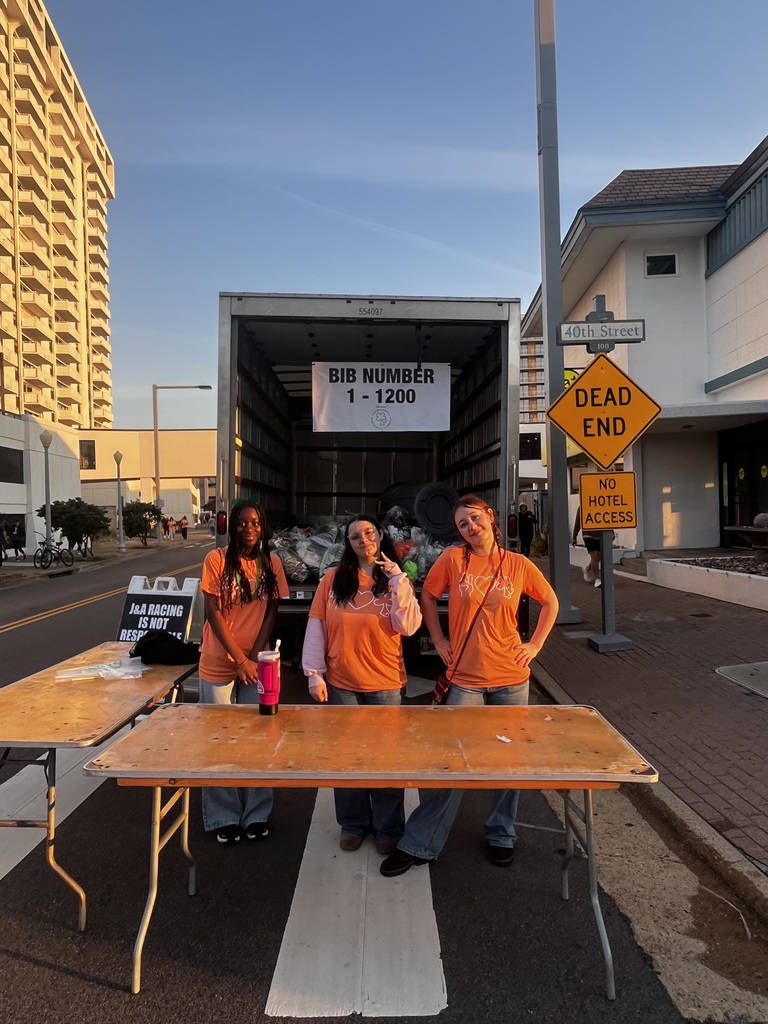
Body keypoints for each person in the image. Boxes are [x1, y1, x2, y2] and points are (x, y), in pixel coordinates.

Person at [380, 493, 559, 877]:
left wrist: (535, 645)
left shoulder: (517, 564)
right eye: (462, 524)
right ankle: (420, 843)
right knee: (451, 763)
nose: (470, 528)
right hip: (466, 681)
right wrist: (439, 640)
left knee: (507, 764)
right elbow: (427, 595)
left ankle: (501, 833)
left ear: (489, 517)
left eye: (475, 519)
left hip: (512, 678)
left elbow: (550, 602)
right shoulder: (453, 559)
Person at [302, 515, 422, 854]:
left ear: (380, 536)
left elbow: (410, 626)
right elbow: (317, 625)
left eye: (369, 533)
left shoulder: (396, 578)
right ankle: (353, 824)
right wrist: (314, 673)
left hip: (385, 682)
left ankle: (388, 829)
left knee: (385, 759)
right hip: (343, 683)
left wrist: (397, 579)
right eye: (355, 536)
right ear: (348, 544)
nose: (363, 540)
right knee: (348, 759)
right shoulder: (333, 580)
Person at [198, 501, 289, 844]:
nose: (248, 529)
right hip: (220, 661)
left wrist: (255, 658)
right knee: (219, 739)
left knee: (260, 737)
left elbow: (271, 611)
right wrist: (239, 659)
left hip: (258, 662)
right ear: (231, 526)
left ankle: (256, 813)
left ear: (262, 527)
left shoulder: (272, 563)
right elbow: (213, 612)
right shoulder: (216, 560)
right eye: (241, 523)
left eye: (255, 523)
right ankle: (223, 815)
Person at [572, 506, 601, 588]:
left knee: (601, 555)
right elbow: (577, 522)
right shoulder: (582, 507)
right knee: (594, 555)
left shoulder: (602, 502)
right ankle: (597, 580)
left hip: (601, 534)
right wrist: (574, 537)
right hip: (588, 535)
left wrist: (611, 532)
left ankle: (588, 568)